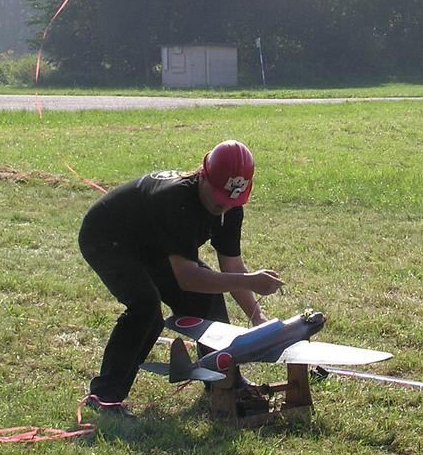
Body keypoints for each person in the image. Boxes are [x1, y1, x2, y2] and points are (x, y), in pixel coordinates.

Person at [79, 139, 284, 415]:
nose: (222, 205)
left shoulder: (231, 206)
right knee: (145, 308)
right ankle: (105, 397)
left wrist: (258, 319)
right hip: (107, 237)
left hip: (152, 244)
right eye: (218, 196)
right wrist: (251, 281)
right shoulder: (176, 200)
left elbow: (232, 266)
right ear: (204, 176)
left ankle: (224, 381)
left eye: (231, 200)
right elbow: (188, 278)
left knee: (208, 297)